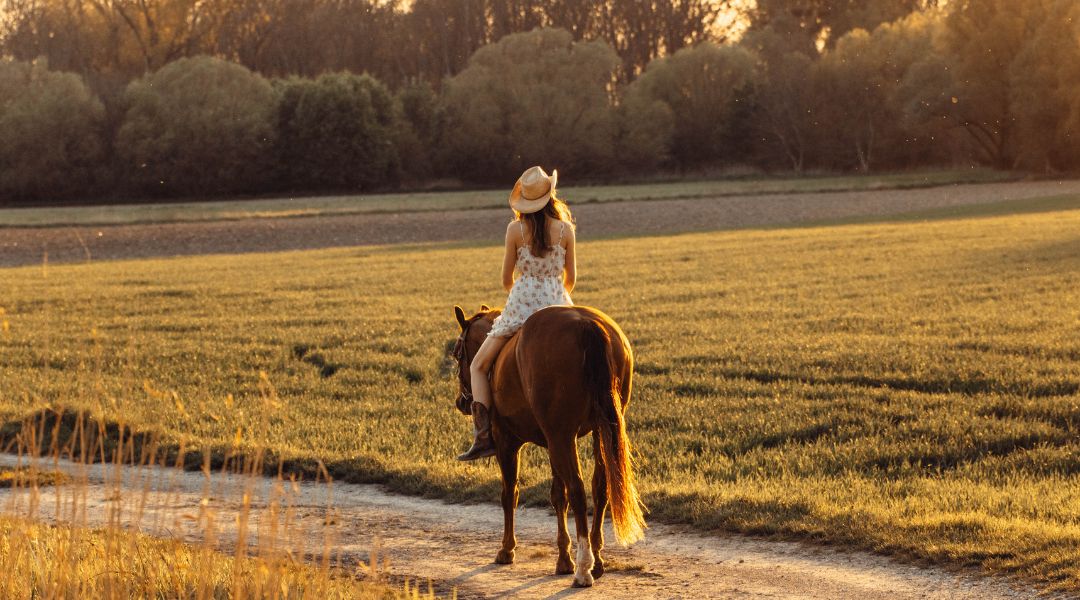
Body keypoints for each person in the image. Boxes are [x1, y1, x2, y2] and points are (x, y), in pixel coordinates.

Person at [457, 166, 577, 461]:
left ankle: (484, 437)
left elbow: (506, 279)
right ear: (551, 196)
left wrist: (520, 295)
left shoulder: (514, 230)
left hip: (521, 303)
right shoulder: (566, 230)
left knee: (478, 366)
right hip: (558, 302)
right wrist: (556, 294)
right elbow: (571, 277)